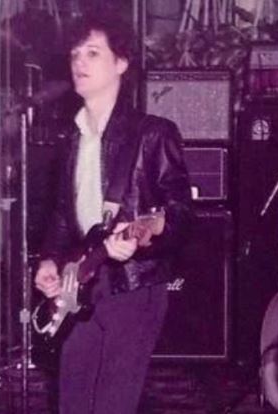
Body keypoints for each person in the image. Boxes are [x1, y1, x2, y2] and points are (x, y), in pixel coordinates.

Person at [33, 14, 193, 414]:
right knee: (72, 401)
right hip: (83, 281)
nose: (79, 62)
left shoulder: (153, 133)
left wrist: (144, 239)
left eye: (92, 53)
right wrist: (50, 259)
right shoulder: (72, 137)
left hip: (134, 286)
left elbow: (180, 216)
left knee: (112, 404)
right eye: (75, 54)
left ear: (121, 63)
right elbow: (62, 214)